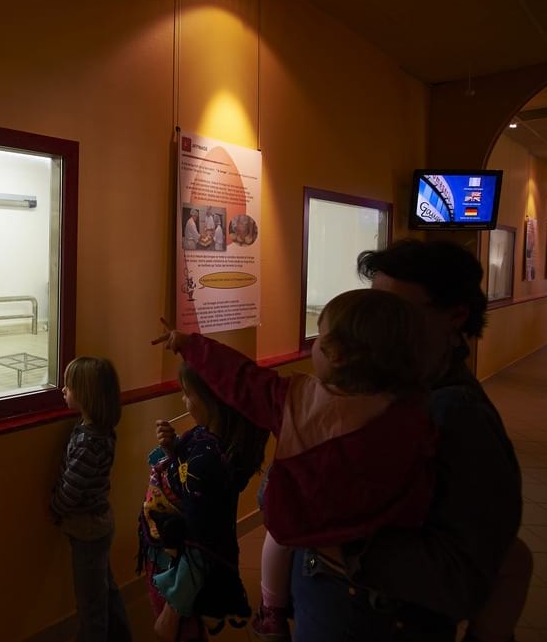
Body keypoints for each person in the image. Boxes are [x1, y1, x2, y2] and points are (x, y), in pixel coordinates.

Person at [153, 287, 437, 641]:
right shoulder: (412, 413)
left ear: (336, 354)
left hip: (324, 572)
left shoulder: (299, 403)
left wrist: (189, 345)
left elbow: (241, 378)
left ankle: (271, 611)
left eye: (320, 335)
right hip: (390, 575)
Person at [283, 239, 527, 642]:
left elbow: (460, 577)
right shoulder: (381, 391)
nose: (373, 325)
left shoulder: (455, 414)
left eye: (393, 311)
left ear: (455, 317)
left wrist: (338, 542)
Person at [139, 362, 269, 640]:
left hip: (176, 573)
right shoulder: (203, 438)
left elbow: (202, 545)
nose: (183, 400)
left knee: (184, 633)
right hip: (167, 559)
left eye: (188, 393)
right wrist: (172, 448)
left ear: (212, 399)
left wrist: (173, 609)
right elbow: (185, 472)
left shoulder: (208, 462)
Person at [50, 357, 132, 642]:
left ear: (86, 396)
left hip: (87, 530)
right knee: (105, 589)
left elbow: (71, 490)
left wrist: (55, 508)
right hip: (100, 523)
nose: (63, 390)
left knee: (90, 604)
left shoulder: (88, 443)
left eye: (69, 386)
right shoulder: (101, 431)